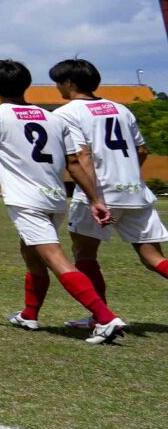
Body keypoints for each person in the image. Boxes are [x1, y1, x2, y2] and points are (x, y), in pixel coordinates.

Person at [0, 59, 118, 341]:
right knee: (30, 253)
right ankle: (30, 315)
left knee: (56, 259)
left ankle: (105, 318)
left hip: (26, 200)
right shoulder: (53, 117)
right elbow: (73, 163)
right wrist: (95, 198)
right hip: (55, 198)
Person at [51, 58, 159, 338]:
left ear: (70, 83)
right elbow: (142, 150)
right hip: (135, 191)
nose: (58, 88)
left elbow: (82, 155)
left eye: (58, 82)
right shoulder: (121, 109)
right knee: (153, 257)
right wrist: (128, 175)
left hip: (98, 193)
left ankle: (98, 317)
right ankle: (97, 316)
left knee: (84, 253)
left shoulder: (66, 113)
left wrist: (94, 196)